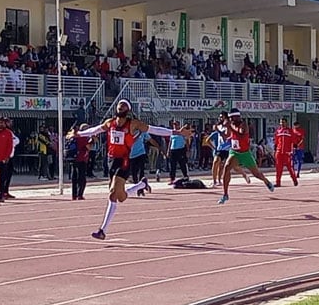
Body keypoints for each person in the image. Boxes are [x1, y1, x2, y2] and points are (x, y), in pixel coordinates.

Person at [70, 99, 190, 240]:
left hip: (124, 160)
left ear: (128, 110)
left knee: (112, 194)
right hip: (111, 160)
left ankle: (102, 230)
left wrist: (176, 132)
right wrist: (79, 134)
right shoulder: (110, 122)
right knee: (120, 197)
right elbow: (95, 129)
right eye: (119, 105)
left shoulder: (133, 124)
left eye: (124, 106)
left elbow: (154, 129)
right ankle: (141, 184)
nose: (120, 107)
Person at [217, 108, 274, 204]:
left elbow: (241, 135)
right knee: (226, 167)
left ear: (236, 117)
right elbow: (227, 136)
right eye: (229, 118)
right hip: (234, 152)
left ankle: (266, 181)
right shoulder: (231, 124)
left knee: (256, 174)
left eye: (231, 118)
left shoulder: (244, 125)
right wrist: (220, 131)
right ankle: (225, 194)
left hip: (245, 154)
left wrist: (229, 127)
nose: (230, 120)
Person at [274, 117, 298, 187]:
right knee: (278, 168)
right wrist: (275, 149)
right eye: (281, 122)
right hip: (279, 152)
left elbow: (294, 141)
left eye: (283, 122)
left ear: (286, 123)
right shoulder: (278, 131)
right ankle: (278, 182)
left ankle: (294, 180)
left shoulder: (290, 131)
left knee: (289, 167)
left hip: (287, 152)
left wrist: (294, 148)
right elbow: (276, 141)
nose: (282, 123)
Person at [71, 124, 92, 200]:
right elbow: (88, 147)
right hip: (81, 159)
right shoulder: (82, 137)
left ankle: (74, 194)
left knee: (75, 177)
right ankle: (80, 194)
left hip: (74, 158)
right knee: (82, 178)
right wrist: (92, 141)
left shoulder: (74, 136)